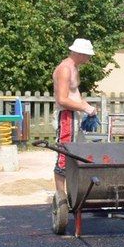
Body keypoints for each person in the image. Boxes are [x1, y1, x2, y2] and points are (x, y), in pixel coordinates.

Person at [52, 38, 97, 198]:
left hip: (73, 115)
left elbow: (73, 94)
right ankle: (61, 196)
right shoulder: (65, 69)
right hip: (66, 116)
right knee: (64, 154)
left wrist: (85, 106)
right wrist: (85, 107)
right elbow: (62, 100)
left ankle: (74, 191)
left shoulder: (73, 67)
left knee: (78, 152)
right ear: (79, 53)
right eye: (87, 55)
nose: (88, 58)